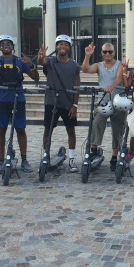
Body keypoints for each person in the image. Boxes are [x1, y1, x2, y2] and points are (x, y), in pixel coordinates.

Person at [0, 35, 39, 174]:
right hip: (1, 99)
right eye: (2, 44)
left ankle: (24, 160)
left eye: (8, 44)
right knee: (1, 129)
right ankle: (1, 160)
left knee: (20, 129)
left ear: (13, 46)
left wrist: (31, 65)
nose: (5, 46)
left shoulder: (20, 61)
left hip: (18, 98)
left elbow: (36, 78)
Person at [36, 34, 81, 172]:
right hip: (52, 101)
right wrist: (40, 56)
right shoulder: (50, 61)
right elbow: (41, 62)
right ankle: (46, 156)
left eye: (66, 44)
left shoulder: (74, 65)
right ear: (56, 47)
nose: (62, 47)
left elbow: (77, 86)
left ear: (69, 48)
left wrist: (75, 105)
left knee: (71, 130)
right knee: (47, 130)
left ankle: (72, 160)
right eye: (60, 44)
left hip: (68, 103)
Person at [82, 42, 125, 171]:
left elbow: (118, 79)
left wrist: (111, 87)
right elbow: (85, 69)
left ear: (114, 52)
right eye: (105, 52)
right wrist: (87, 56)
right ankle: (94, 149)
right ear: (101, 53)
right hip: (103, 101)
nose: (108, 54)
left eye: (110, 52)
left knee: (118, 130)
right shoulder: (98, 66)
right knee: (96, 122)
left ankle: (114, 156)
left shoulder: (120, 65)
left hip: (118, 101)